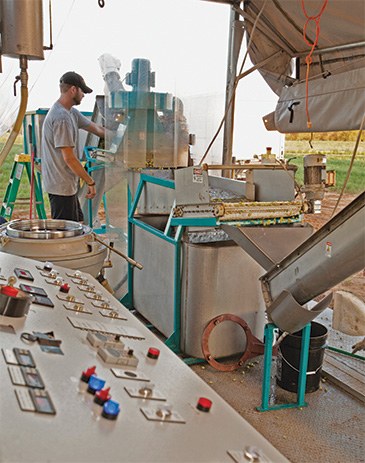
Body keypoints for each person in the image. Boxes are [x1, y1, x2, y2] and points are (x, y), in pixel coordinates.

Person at [41, 71, 105, 222]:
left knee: (78, 224)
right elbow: (69, 158)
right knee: (65, 236)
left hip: (67, 185)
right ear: (73, 90)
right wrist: (90, 181)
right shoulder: (62, 117)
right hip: (60, 187)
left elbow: (98, 130)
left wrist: (124, 135)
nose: (84, 95)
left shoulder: (71, 113)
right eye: (82, 91)